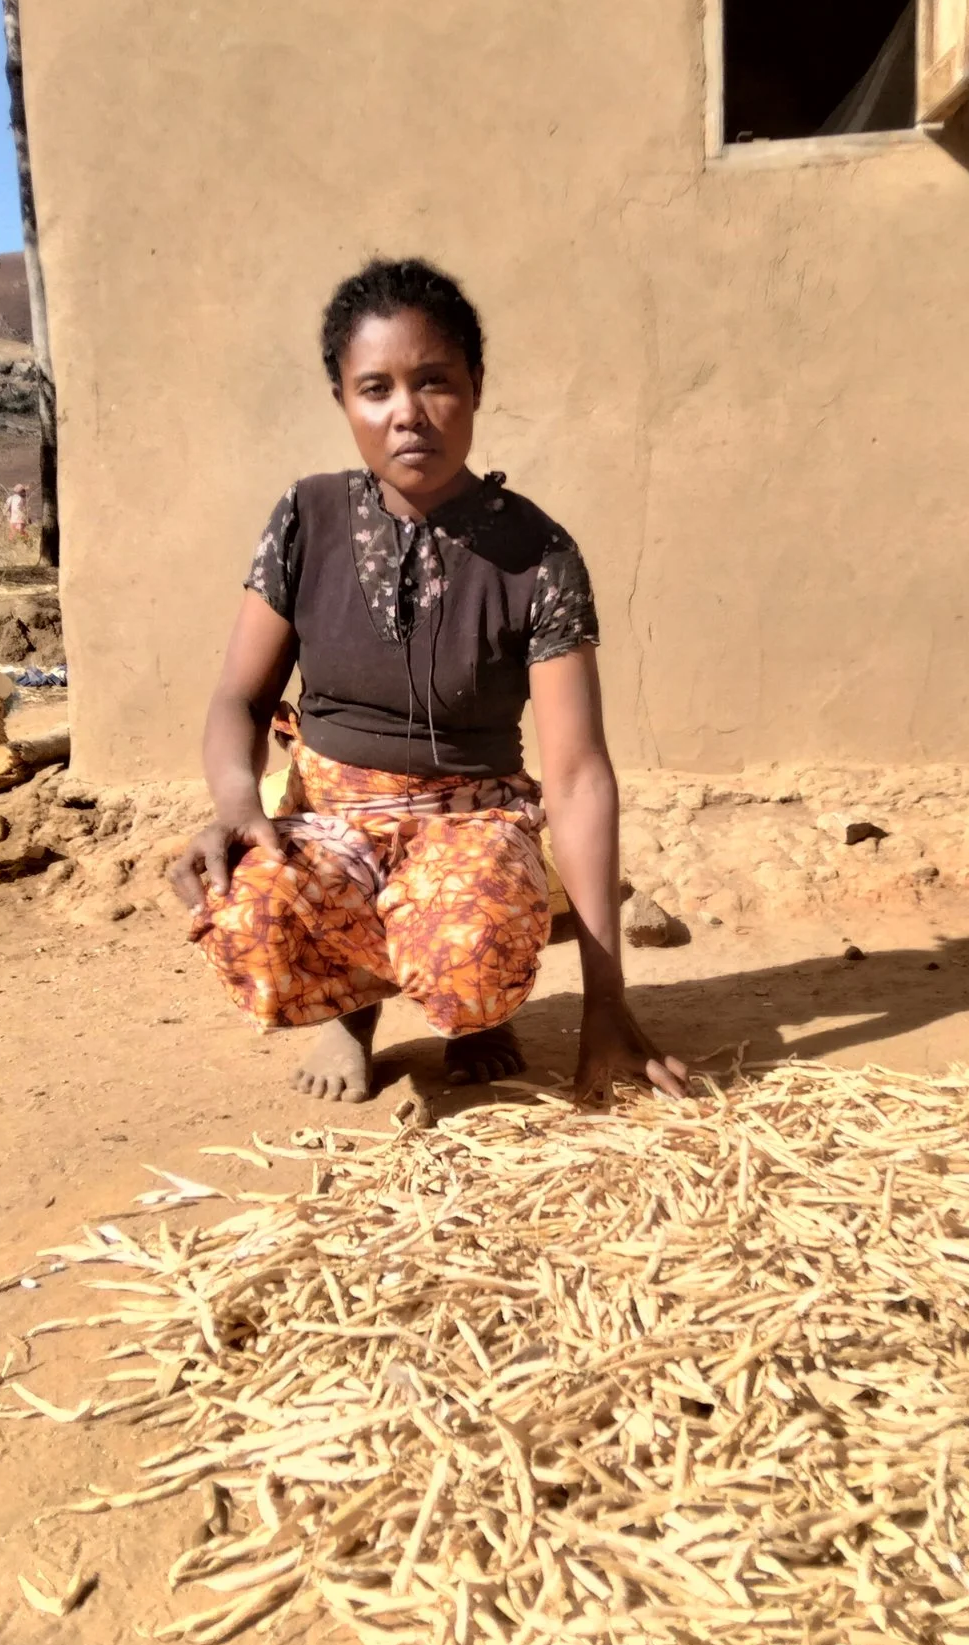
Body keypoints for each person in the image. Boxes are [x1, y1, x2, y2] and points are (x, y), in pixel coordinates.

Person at [167, 258, 688, 1105]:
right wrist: (236, 809)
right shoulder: (307, 518)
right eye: (375, 388)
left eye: (434, 381)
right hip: (330, 818)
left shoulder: (539, 556)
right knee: (248, 914)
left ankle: (475, 1014)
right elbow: (240, 697)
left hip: (468, 819)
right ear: (344, 401)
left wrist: (608, 1005)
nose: (406, 412)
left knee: (473, 948)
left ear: (475, 388)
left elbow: (579, 771)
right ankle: (355, 1011)